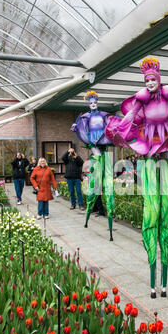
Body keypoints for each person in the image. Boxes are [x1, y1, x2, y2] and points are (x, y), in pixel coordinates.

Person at [105, 56, 168, 298]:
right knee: (151, 209)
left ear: (158, 80)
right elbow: (130, 117)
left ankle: (165, 275)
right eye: (146, 80)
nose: (149, 83)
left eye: (152, 79)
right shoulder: (142, 99)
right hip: (149, 152)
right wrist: (120, 128)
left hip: (167, 150)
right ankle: (152, 271)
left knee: (166, 209)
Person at [71, 90, 114, 240]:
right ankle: (90, 212)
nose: (93, 104)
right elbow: (82, 128)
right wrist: (75, 127)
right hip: (94, 142)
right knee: (96, 179)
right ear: (89, 104)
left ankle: (107, 214)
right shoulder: (86, 116)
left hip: (103, 141)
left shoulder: (103, 115)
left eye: (95, 102)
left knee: (107, 182)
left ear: (97, 102)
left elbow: (110, 125)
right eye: (91, 102)